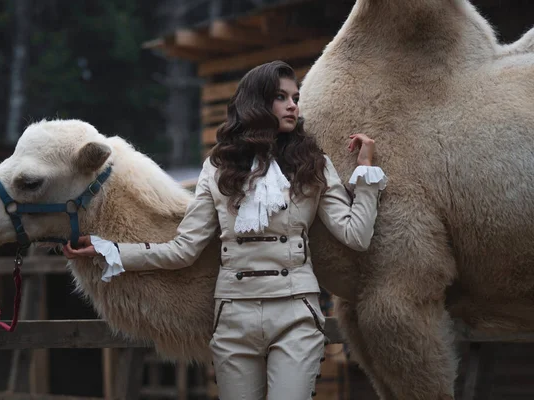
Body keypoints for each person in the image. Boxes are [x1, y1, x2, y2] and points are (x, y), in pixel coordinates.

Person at [64, 60, 387, 400]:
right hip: (234, 317)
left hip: (295, 312)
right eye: (281, 96)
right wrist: (111, 250)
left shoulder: (313, 164)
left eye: (295, 96)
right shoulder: (218, 168)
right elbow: (182, 250)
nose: (293, 104)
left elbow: (357, 235)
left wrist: (366, 174)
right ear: (256, 103)